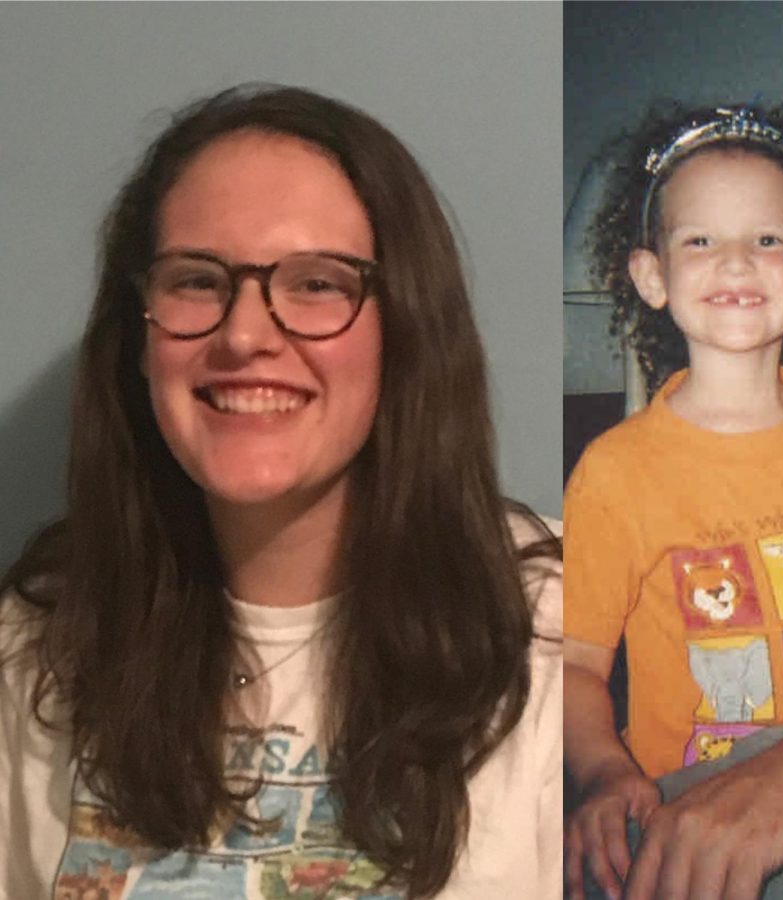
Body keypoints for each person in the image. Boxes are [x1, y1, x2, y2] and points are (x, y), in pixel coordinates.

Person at [0, 84, 562, 899]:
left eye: (317, 283)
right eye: (197, 280)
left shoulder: (554, 634)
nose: (244, 334)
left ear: (405, 328)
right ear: (138, 332)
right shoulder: (32, 650)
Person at [564, 100, 783, 900]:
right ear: (652, 276)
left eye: (769, 239)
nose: (738, 261)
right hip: (694, 798)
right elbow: (575, 662)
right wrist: (604, 771)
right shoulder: (616, 471)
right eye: (702, 240)